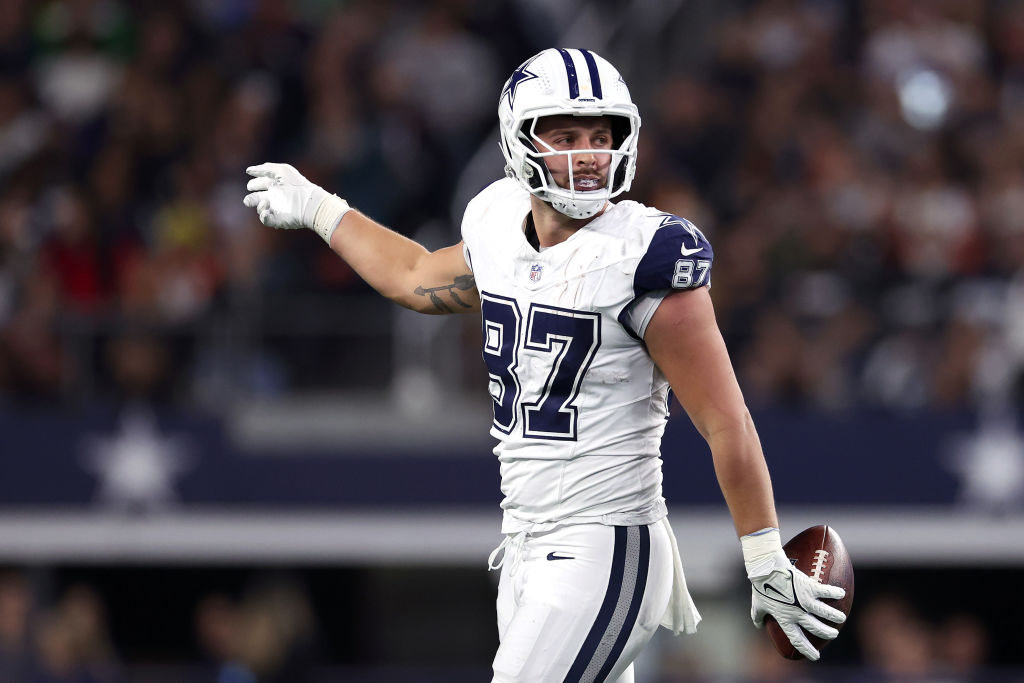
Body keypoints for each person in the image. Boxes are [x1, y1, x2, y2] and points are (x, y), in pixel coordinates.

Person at [243, 47, 846, 682]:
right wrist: (320, 209)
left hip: (605, 542)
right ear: (519, 139)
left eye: (600, 135)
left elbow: (728, 421)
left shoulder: (646, 255)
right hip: (526, 544)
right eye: (565, 135)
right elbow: (414, 275)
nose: (588, 153)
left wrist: (763, 556)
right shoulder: (498, 224)